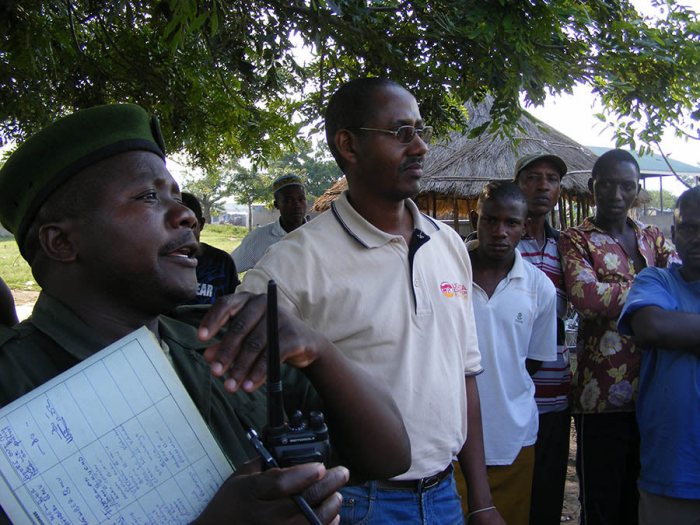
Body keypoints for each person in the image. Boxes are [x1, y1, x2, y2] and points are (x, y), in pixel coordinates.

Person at [0, 103, 411, 524]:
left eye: (177, 197)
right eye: (147, 197)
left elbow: (390, 456)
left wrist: (319, 351)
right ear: (61, 243)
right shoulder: (12, 384)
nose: (186, 215)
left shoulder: (219, 348)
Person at [236, 77, 504, 525]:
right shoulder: (288, 267)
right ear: (349, 145)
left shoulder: (449, 245)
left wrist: (480, 498)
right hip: (355, 502)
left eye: (420, 131)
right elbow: (246, 400)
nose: (419, 147)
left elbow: (465, 376)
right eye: (402, 133)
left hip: (443, 495)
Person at [558, 148, 679, 525]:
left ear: (637, 190)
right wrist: (651, 291)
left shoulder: (651, 237)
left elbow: (680, 284)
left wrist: (636, 292)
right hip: (602, 397)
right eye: (606, 184)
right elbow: (587, 297)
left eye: (626, 186)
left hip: (656, 391)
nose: (615, 194)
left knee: (645, 498)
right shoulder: (577, 238)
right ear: (593, 186)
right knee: (602, 503)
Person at [464, 181, 557, 525]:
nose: (500, 231)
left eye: (511, 223)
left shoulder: (539, 287)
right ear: (476, 219)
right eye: (490, 220)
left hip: (513, 440)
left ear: (526, 226)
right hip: (450, 442)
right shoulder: (446, 275)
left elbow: (531, 362)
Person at [617, 186, 700, 525]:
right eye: (690, 228)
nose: (698, 237)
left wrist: (682, 331)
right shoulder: (656, 280)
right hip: (672, 468)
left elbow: (667, 328)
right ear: (674, 233)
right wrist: (669, 330)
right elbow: (651, 326)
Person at [514, 152, 572, 525]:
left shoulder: (567, 246)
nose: (543, 185)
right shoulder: (496, 243)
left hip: (555, 391)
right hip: (510, 393)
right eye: (533, 177)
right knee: (511, 490)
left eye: (551, 178)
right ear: (518, 184)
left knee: (549, 492)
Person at [232, 174, 308, 272]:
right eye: (289, 200)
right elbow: (229, 269)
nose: (297, 205)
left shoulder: (317, 235)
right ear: (277, 205)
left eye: (301, 199)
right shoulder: (258, 239)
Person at [181, 191, 240, 304]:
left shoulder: (221, 262)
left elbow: (233, 306)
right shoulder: (156, 262)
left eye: (186, 223)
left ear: (201, 224)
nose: (179, 232)